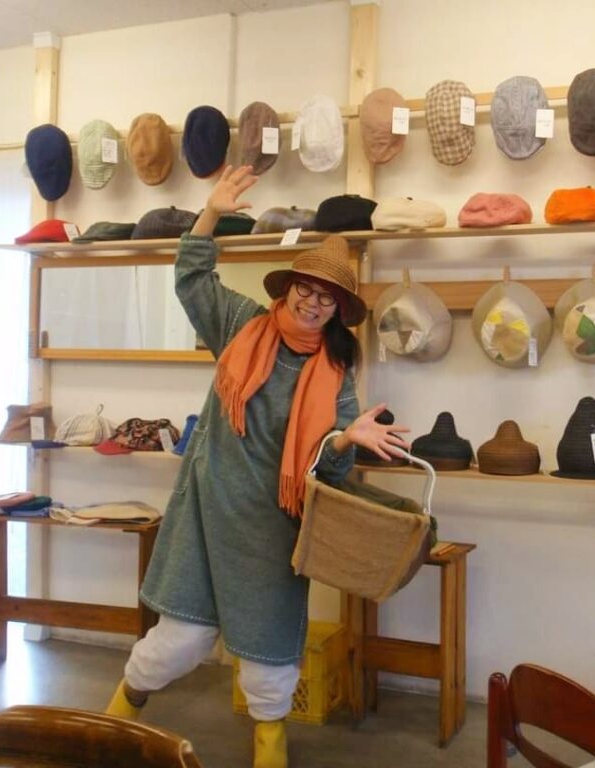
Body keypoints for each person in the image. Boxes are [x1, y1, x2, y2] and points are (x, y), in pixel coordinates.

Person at [104, 165, 409, 768]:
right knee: (177, 642)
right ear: (290, 287)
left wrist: (345, 441)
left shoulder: (336, 375)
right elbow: (191, 276)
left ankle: (270, 753)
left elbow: (328, 476)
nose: (314, 302)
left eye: (328, 296)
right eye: (307, 289)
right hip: (205, 513)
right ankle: (105, 732)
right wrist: (212, 212)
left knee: (269, 667)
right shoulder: (242, 325)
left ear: (339, 308)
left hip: (272, 531)